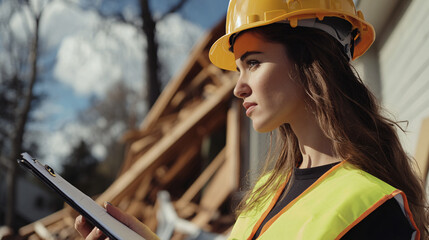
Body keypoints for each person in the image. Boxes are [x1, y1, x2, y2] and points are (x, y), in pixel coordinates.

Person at [75, 0, 429, 239]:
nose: (238, 88)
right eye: (239, 68)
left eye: (254, 62)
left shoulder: (376, 209)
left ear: (310, 62)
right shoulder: (266, 192)